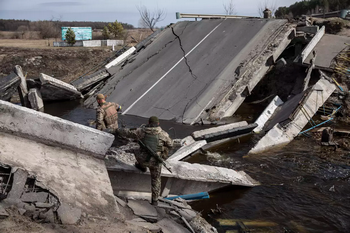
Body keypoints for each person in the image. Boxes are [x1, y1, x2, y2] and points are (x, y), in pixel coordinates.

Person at [116, 116, 173, 205]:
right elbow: (171, 145)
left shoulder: (141, 131)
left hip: (142, 159)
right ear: (158, 124)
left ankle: (141, 166)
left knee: (135, 150)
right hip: (156, 162)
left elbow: (127, 133)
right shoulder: (164, 134)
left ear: (149, 123)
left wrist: (116, 130)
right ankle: (155, 201)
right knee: (156, 179)